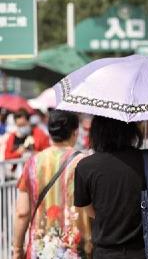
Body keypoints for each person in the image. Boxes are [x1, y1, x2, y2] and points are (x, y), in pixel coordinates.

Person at [74, 116, 148, 259]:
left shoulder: (85, 167)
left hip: (105, 253)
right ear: (130, 130)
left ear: (96, 131)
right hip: (146, 251)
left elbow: (89, 211)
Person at [13, 110, 92, 259]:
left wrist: (17, 249)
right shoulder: (84, 163)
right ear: (75, 132)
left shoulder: (32, 163)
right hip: (76, 250)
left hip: (40, 250)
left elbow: (22, 212)